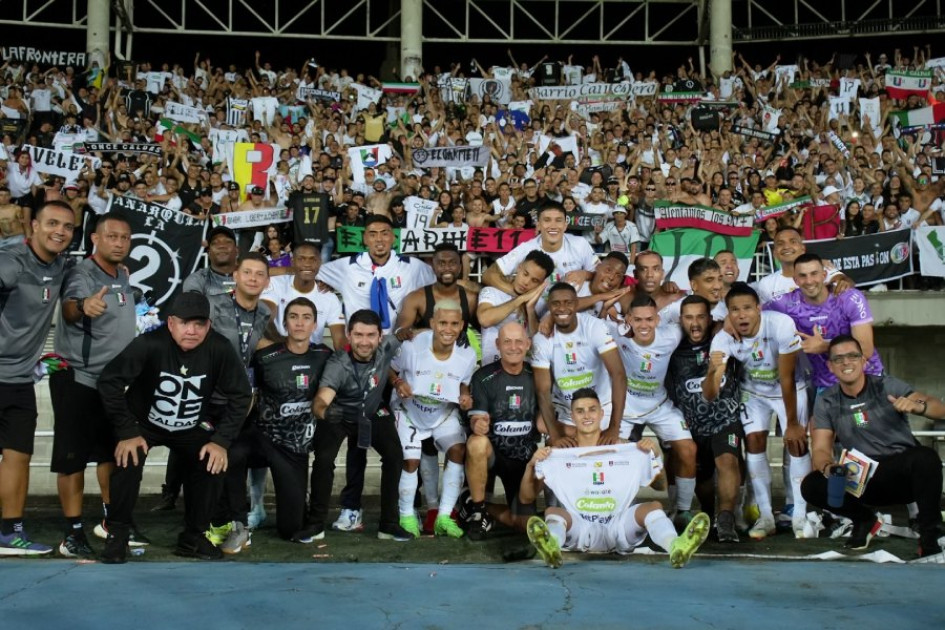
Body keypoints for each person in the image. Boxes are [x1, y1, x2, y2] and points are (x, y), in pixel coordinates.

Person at [96, 292, 253, 563]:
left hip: (191, 424)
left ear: (209, 325)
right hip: (143, 424)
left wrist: (221, 440)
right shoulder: (149, 344)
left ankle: (193, 537)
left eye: (199, 324)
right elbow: (109, 381)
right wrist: (126, 431)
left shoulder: (219, 348)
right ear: (170, 323)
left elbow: (241, 395)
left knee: (213, 460)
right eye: (184, 323)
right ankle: (118, 534)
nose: (191, 331)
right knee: (127, 460)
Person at [314, 214, 434, 531]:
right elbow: (309, 271)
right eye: (372, 234)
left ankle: (410, 505)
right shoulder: (345, 265)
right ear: (364, 238)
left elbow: (433, 296)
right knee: (358, 440)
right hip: (363, 356)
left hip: (399, 356)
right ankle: (351, 507)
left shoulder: (414, 267)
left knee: (409, 436)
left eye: (384, 233)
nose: (379, 239)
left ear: (392, 237)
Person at [521, 388, 711, 569]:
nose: (587, 416)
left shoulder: (625, 448)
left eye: (592, 410)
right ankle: (551, 546)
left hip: (620, 526)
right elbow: (526, 497)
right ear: (572, 416)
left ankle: (676, 546)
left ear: (601, 414)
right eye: (580, 411)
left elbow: (659, 486)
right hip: (580, 528)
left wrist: (655, 458)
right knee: (553, 511)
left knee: (654, 507)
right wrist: (531, 466)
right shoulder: (559, 454)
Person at [803, 335, 945, 557]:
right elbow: (820, 448)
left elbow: (939, 407)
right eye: (838, 359)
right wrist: (828, 468)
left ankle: (930, 537)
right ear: (830, 366)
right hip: (860, 478)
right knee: (812, 484)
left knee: (926, 458)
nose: (846, 363)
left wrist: (918, 406)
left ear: (864, 361)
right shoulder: (826, 400)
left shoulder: (887, 385)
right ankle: (864, 520)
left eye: (852, 356)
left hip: (900, 475)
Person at [51, 212, 137, 557]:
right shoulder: (82, 272)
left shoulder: (123, 275)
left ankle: (110, 521)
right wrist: (84, 306)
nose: (119, 243)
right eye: (112, 236)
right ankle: (72, 532)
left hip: (112, 384)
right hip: (78, 377)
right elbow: (71, 307)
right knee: (72, 459)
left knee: (110, 455)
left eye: (125, 238)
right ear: (95, 239)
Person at [704, 283, 810, 540]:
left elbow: (785, 377)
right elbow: (709, 394)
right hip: (753, 393)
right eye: (735, 310)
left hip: (790, 387)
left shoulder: (780, 324)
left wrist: (793, 423)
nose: (742, 315)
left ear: (759, 309)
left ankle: (801, 515)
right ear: (728, 313)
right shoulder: (722, 338)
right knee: (753, 442)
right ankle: (766, 515)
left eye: (747, 308)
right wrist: (713, 371)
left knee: (796, 443)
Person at [0, 200, 75, 556]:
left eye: (67, 226)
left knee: (18, 455)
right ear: (33, 226)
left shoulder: (63, 266)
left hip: (18, 380)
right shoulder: (10, 261)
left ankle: (9, 533)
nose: (59, 231)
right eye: (52, 223)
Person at [229, 297, 332, 542]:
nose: (299, 323)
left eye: (306, 318)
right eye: (293, 317)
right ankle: (235, 522)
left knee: (290, 530)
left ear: (315, 325)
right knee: (231, 453)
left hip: (294, 447)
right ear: (285, 323)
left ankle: (296, 507)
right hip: (262, 436)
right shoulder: (264, 356)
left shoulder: (325, 356)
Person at [309, 309, 413, 541]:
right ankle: (315, 524)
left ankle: (389, 524)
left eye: (370, 335)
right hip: (340, 415)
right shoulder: (338, 364)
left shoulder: (387, 346)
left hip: (372, 412)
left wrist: (422, 332)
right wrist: (325, 412)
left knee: (395, 454)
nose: (364, 342)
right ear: (348, 335)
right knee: (324, 459)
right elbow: (320, 401)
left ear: (380, 336)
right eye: (358, 335)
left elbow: (407, 334)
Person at [390, 300, 477, 538]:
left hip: (442, 412)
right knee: (411, 461)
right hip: (408, 412)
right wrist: (398, 383)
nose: (448, 329)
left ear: (461, 326)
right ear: (432, 324)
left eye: (454, 324)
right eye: (442, 323)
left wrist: (465, 395)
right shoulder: (411, 346)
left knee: (458, 450)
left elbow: (464, 383)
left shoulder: (467, 354)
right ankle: (406, 515)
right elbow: (388, 368)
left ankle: (444, 517)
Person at [204, 252, 272, 549]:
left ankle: (237, 524)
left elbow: (258, 347)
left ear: (267, 282)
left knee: (233, 459)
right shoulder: (213, 305)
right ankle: (215, 522)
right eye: (248, 273)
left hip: (240, 402)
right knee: (207, 462)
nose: (253, 279)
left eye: (259, 274)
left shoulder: (265, 313)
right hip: (208, 397)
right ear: (235, 275)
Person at [614, 295, 699, 529]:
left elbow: (695, 314)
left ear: (657, 319)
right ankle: (616, 513)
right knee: (615, 455)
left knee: (688, 449)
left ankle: (682, 511)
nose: (644, 325)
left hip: (659, 404)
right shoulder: (614, 332)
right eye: (638, 319)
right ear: (628, 319)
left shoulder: (671, 335)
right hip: (626, 407)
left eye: (649, 319)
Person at [666, 295, 744, 543]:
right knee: (703, 478)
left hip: (725, 419)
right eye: (689, 317)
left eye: (701, 316)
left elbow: (745, 310)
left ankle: (726, 520)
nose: (695, 323)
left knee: (728, 462)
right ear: (681, 320)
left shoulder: (723, 338)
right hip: (691, 425)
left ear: (710, 319)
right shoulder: (672, 346)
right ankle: (708, 515)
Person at [463, 322, 541, 540]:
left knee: (523, 526)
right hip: (493, 455)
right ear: (497, 344)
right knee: (476, 442)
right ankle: (478, 513)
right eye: (507, 341)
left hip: (524, 458)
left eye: (519, 341)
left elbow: (546, 415)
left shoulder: (537, 374)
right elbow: (476, 418)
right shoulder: (484, 376)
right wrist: (477, 423)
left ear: (527, 344)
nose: (513, 347)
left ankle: (475, 505)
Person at [765, 253, 884, 391]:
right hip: (826, 386)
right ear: (795, 280)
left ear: (824, 275)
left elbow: (866, 351)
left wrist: (825, 347)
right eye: (802, 276)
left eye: (814, 274)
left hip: (867, 378)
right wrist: (732, 322)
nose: (809, 281)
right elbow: (753, 313)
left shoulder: (849, 298)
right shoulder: (786, 302)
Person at [532, 282, 626, 444]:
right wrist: (555, 437)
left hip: (601, 406)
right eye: (556, 303)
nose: (562, 308)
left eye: (568, 303)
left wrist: (613, 428)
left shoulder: (594, 326)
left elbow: (618, 374)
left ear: (577, 304)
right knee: (546, 433)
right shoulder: (541, 339)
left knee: (609, 450)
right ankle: (585, 435)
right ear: (549, 306)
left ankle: (588, 435)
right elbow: (543, 390)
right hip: (566, 410)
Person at [482, 202, 598, 316]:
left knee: (593, 288)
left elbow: (601, 275)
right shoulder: (526, 248)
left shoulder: (580, 244)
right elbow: (489, 274)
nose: (553, 226)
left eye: (558, 220)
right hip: (535, 313)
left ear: (565, 225)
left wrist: (585, 274)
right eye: (547, 220)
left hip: (569, 309)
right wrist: (519, 295)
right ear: (538, 225)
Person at [261, 242, 346, 350]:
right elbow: (264, 316)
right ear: (292, 262)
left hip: (313, 357)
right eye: (301, 259)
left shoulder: (329, 297)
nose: (307, 264)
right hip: (279, 352)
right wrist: (284, 348)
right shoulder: (276, 284)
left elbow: (340, 339)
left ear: (319, 263)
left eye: (313, 259)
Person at [476, 250, 554, 365]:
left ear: (542, 283)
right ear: (519, 267)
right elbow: (484, 319)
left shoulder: (541, 304)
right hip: (493, 369)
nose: (526, 282)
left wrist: (530, 309)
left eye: (534, 280)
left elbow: (539, 342)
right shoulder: (492, 292)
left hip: (526, 371)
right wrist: (520, 299)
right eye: (525, 274)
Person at [182, 225, 239, 297]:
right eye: (215, 243)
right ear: (209, 252)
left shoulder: (252, 276)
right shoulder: (197, 280)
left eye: (228, 242)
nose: (221, 246)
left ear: (237, 250)